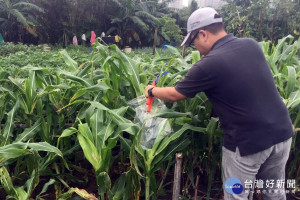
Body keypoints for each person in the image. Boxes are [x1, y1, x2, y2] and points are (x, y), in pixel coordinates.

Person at [144, 7, 294, 200]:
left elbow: (175, 94)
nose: (194, 48)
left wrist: (151, 90)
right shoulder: (251, 45)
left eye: (192, 41)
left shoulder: (209, 64)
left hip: (247, 143)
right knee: (274, 194)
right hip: (282, 134)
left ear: (203, 34)